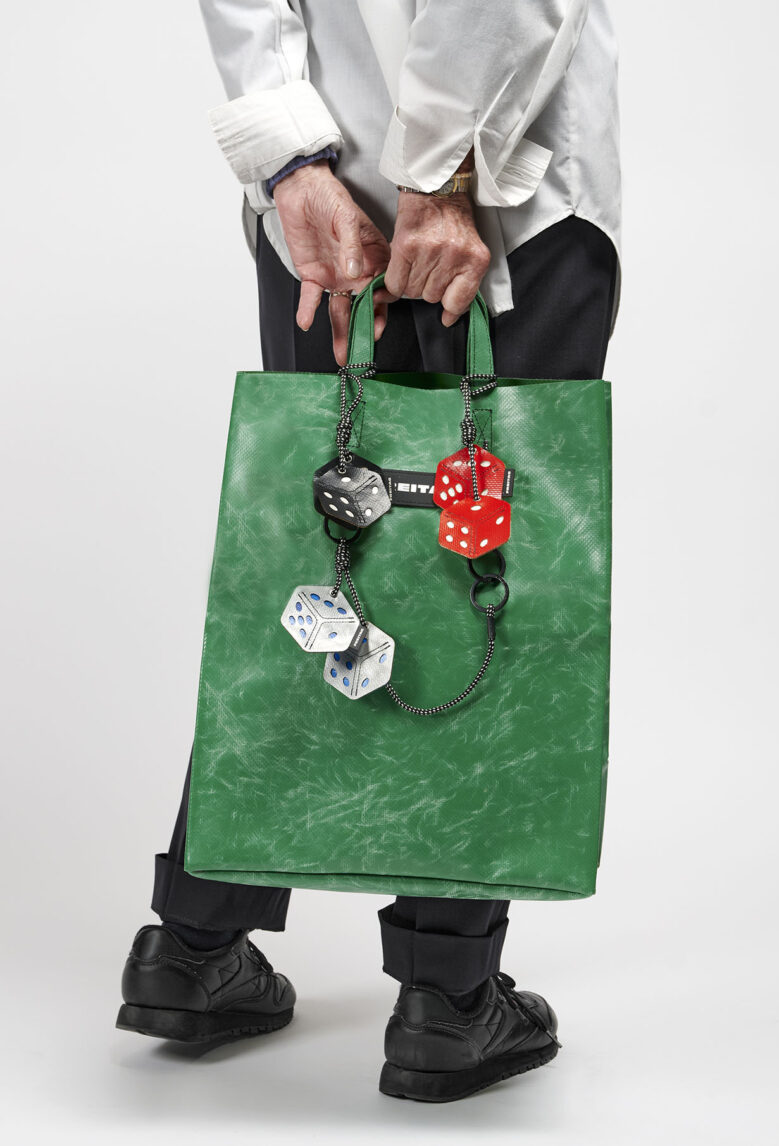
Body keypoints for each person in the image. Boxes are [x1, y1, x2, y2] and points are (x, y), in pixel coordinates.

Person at [116, 0, 621, 1104]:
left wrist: (292, 164)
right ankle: (448, 997)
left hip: (321, 196)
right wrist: (439, 177)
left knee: (328, 563)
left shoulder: (308, 182)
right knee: (469, 561)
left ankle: (193, 948)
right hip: (500, 191)